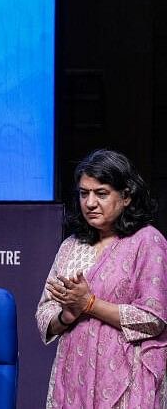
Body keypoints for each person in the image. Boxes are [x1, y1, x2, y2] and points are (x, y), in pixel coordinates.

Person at [36, 149, 167, 407]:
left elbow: (154, 318)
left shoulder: (147, 242)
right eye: (84, 194)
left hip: (126, 379)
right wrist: (65, 317)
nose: (90, 203)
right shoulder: (72, 246)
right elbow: (44, 312)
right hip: (73, 377)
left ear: (126, 196)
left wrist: (90, 304)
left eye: (101, 193)